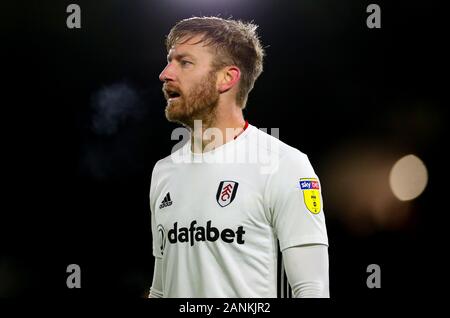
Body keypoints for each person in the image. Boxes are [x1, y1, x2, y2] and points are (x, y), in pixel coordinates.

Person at [148, 16, 329, 298]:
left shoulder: (284, 165)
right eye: (170, 60)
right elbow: (161, 288)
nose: (165, 73)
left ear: (227, 78)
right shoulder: (164, 172)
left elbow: (312, 289)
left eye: (184, 62)